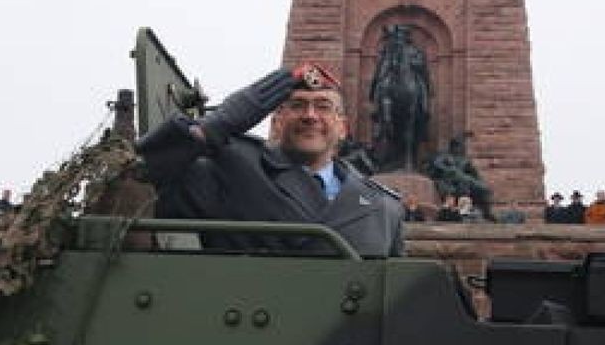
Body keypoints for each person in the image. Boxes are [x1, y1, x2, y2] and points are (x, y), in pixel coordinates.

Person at [136, 64, 404, 257]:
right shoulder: (232, 165)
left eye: (323, 106)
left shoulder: (384, 208)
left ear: (343, 127)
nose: (310, 115)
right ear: (276, 123)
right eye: (297, 105)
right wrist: (212, 128)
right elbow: (143, 174)